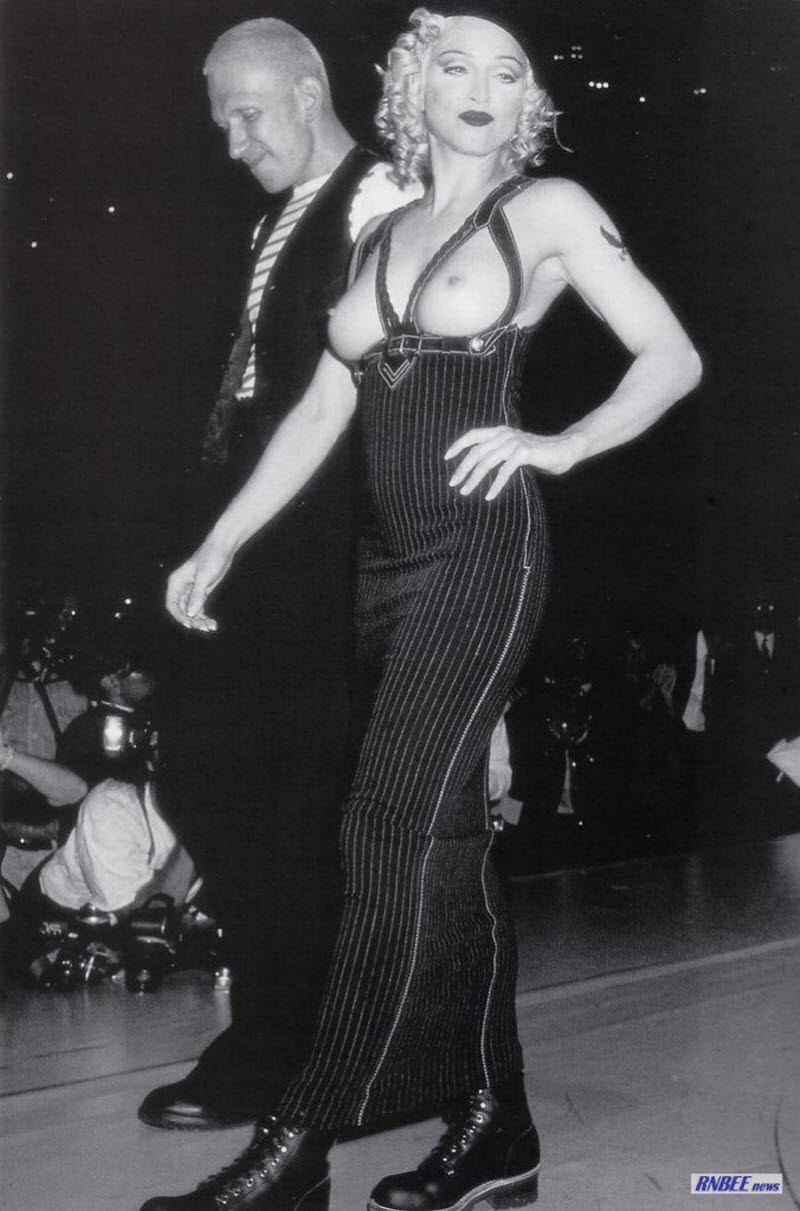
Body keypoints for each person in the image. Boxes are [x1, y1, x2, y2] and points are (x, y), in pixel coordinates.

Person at [143, 9, 701, 1211]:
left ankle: (299, 1138)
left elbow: (668, 356)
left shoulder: (545, 210)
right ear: (413, 87)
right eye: (456, 64)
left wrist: (558, 442)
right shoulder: (382, 230)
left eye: (508, 71)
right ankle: (496, 1123)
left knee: (383, 828)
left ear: (526, 100)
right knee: (439, 847)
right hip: (378, 567)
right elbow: (319, 409)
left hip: (478, 553)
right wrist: (219, 542)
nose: (482, 87)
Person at [140, 19, 418, 1130]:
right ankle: (293, 1033)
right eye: (221, 123)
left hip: (329, 541)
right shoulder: (281, 215)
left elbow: (379, 391)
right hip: (266, 535)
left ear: (309, 92)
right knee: (214, 779)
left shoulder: (379, 195)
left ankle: (285, 1046)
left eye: (246, 115)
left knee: (292, 803)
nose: (233, 143)